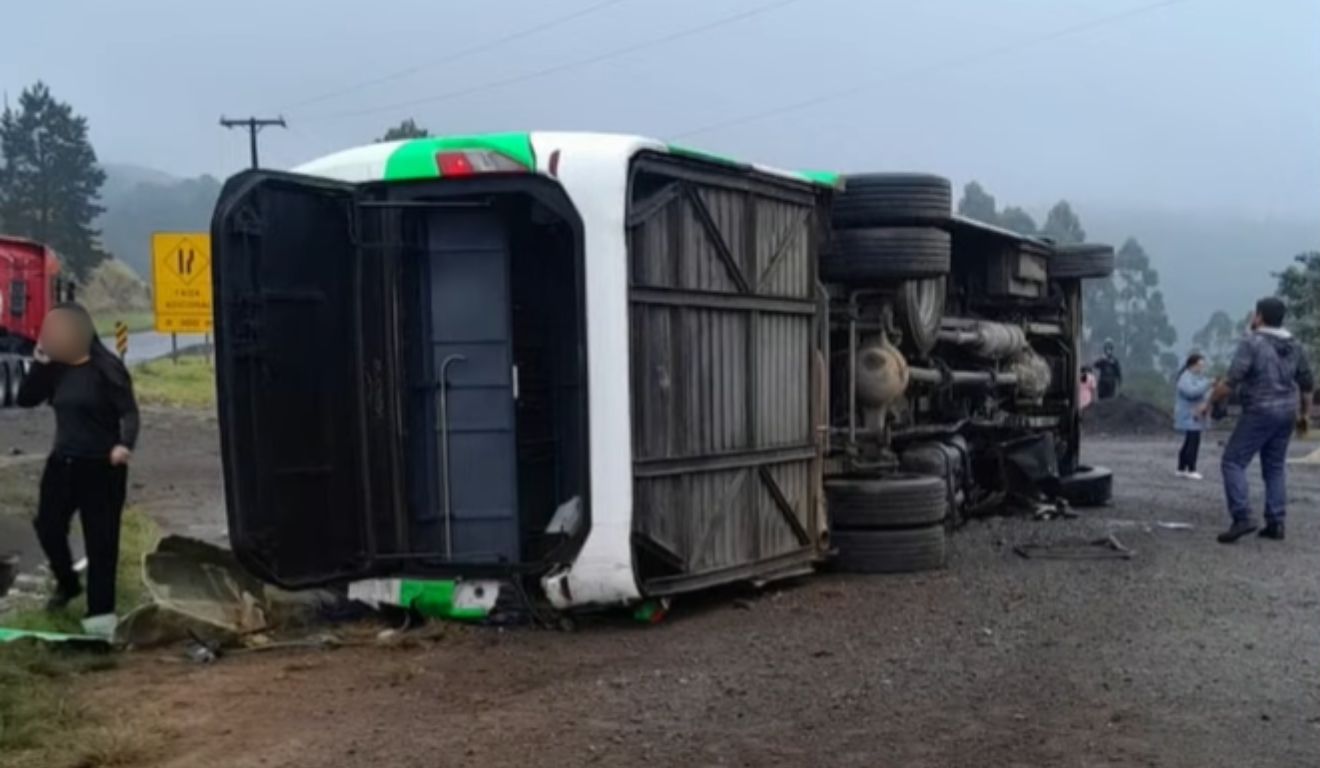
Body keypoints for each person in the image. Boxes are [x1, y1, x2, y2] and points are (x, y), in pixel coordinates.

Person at [16, 303, 138, 637]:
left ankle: (100, 617)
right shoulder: (55, 369)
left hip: (102, 466)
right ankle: (68, 584)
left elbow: (129, 412)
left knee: (101, 541)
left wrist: (124, 444)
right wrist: (39, 366)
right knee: (48, 526)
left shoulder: (106, 368)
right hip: (63, 463)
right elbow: (26, 399)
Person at [1204, 297, 1313, 544]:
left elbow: (1232, 379)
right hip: (1287, 412)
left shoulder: (1252, 343)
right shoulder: (1295, 345)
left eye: (1255, 314)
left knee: (1233, 461)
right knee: (1274, 467)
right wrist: (1304, 415)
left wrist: (1209, 402)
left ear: (1260, 316)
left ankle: (1242, 516)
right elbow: (1307, 383)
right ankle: (1276, 522)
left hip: (1260, 410)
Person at [1172, 353, 1213, 479]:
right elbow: (1192, 392)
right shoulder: (1185, 378)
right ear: (1192, 365)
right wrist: (1208, 385)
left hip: (1195, 414)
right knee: (1193, 442)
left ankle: (1181, 468)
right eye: (1200, 365)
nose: (1202, 368)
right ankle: (1191, 469)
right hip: (1188, 414)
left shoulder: (1198, 378)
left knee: (1189, 441)